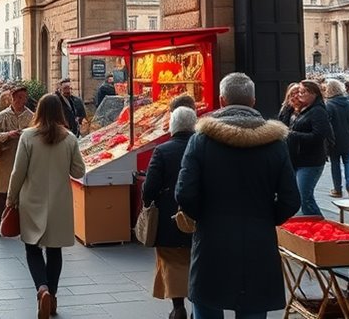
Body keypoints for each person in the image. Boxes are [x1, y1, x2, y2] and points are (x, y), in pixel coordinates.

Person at [176, 73, 301, 319]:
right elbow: (291, 199)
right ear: (253, 101)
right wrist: (266, 217)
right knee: (254, 307)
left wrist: (204, 216)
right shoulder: (275, 143)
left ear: (222, 100)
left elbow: (185, 193)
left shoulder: (201, 141)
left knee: (208, 303)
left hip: (212, 240)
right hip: (259, 240)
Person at [7, 94, 87, 319]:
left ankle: (42, 289)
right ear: (60, 112)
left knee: (32, 249)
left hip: (31, 200)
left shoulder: (28, 136)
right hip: (59, 203)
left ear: (39, 111)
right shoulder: (69, 138)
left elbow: (18, 172)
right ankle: (52, 296)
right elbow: (78, 171)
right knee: (54, 250)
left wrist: (11, 198)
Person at [142, 106, 196, 319]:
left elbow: (150, 187)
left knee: (171, 261)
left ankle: (178, 306)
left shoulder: (162, 151)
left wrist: (148, 201)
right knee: (195, 260)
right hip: (198, 216)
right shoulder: (202, 148)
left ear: (173, 126)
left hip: (168, 217)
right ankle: (197, 307)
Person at [0, 87, 33, 233]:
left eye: (24, 97)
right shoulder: (3, 115)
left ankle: (21, 223)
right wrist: (8, 134)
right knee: (3, 192)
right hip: (6, 157)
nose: (21, 100)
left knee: (23, 192)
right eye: (18, 97)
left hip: (25, 158)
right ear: (12, 98)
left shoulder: (31, 116)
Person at [285, 80, 333, 216]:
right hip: (298, 159)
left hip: (311, 161)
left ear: (314, 94)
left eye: (303, 92)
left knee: (304, 197)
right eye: (300, 91)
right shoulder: (302, 109)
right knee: (302, 197)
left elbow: (319, 135)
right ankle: (312, 222)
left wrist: (293, 135)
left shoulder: (318, 111)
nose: (300, 94)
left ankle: (320, 223)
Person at [323, 79, 349, 198]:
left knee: (335, 163)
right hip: (348, 137)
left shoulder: (328, 105)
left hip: (334, 139)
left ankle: (337, 189)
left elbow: (327, 124)